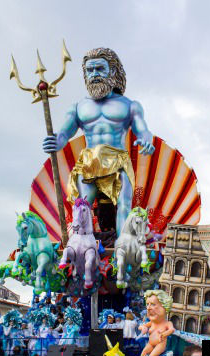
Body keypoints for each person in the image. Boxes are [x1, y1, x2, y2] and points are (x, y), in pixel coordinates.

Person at [43, 48, 155, 234]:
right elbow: (64, 132)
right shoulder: (79, 107)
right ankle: (79, 249)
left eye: (99, 69)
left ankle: (123, 248)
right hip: (89, 161)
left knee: (124, 205)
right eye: (90, 70)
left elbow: (143, 130)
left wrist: (146, 141)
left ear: (112, 71)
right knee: (82, 207)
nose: (94, 74)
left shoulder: (130, 105)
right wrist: (56, 141)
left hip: (118, 160)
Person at [141, 290, 175, 356]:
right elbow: (142, 326)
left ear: (164, 307)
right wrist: (143, 327)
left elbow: (172, 330)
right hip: (150, 343)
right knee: (143, 352)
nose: (148, 308)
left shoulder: (167, 323)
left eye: (153, 304)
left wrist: (164, 334)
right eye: (147, 304)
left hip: (160, 344)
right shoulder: (152, 322)